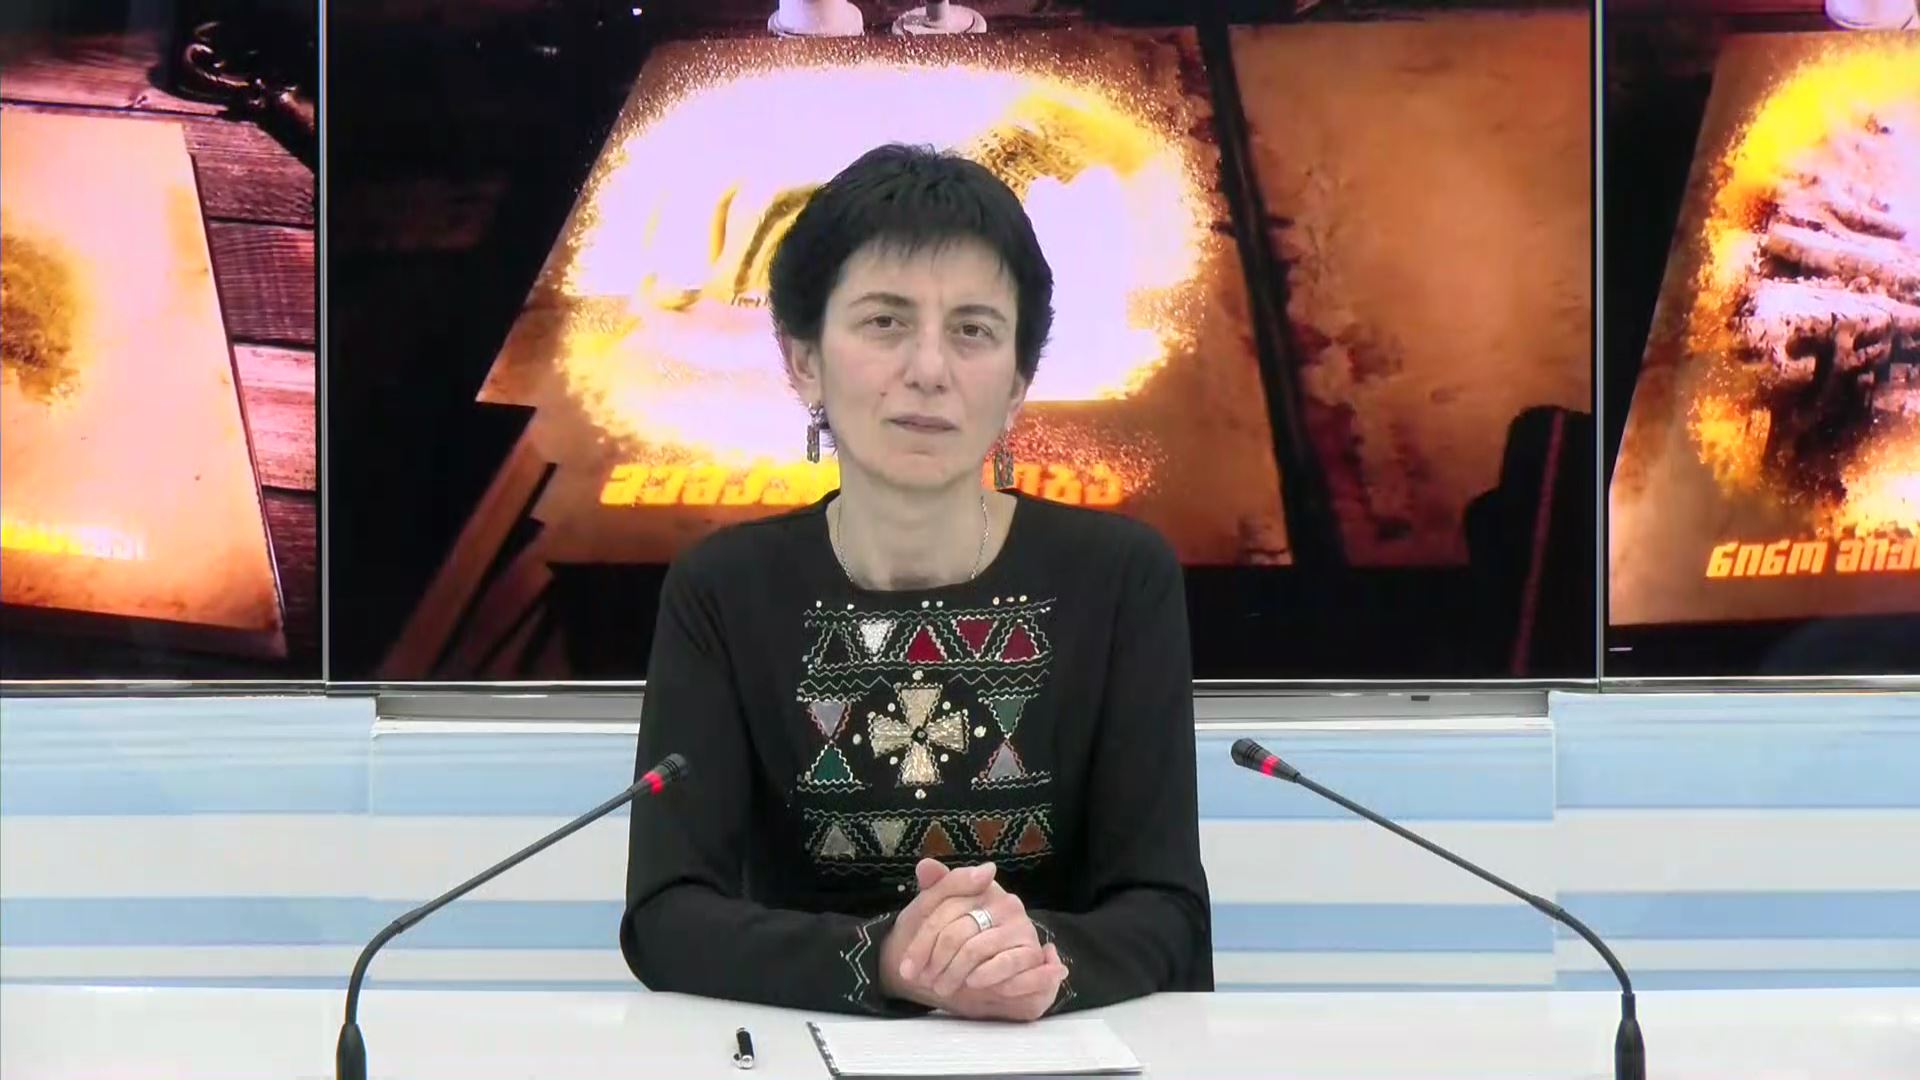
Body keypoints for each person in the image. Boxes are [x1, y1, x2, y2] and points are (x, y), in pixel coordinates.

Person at [619, 143, 1211, 1021]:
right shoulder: (724, 590)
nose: (929, 369)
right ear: (804, 360)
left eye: (973, 330)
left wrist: (1026, 962)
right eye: (885, 322)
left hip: (1054, 1055)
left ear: (1017, 383)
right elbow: (666, 915)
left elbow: (1166, 913)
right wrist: (887, 958)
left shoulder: (1120, 579)